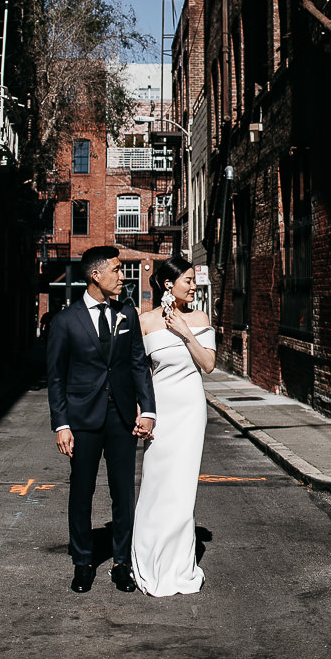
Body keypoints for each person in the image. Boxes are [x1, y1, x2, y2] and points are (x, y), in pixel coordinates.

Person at [46, 246, 156, 594]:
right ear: (96, 275)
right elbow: (56, 377)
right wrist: (61, 424)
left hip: (121, 416)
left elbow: (138, 363)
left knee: (123, 492)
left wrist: (148, 410)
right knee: (82, 491)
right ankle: (83, 562)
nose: (122, 276)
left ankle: (122, 563)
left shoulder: (127, 312)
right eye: (116, 270)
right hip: (82, 418)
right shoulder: (66, 320)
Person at [131, 254, 216, 596]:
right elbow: (140, 373)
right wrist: (142, 412)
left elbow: (208, 364)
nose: (194, 286)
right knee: (155, 484)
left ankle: (179, 564)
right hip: (160, 408)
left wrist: (185, 333)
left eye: (195, 281)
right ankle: (148, 558)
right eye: (189, 281)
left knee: (181, 489)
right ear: (169, 284)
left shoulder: (199, 317)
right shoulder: (146, 321)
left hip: (190, 409)